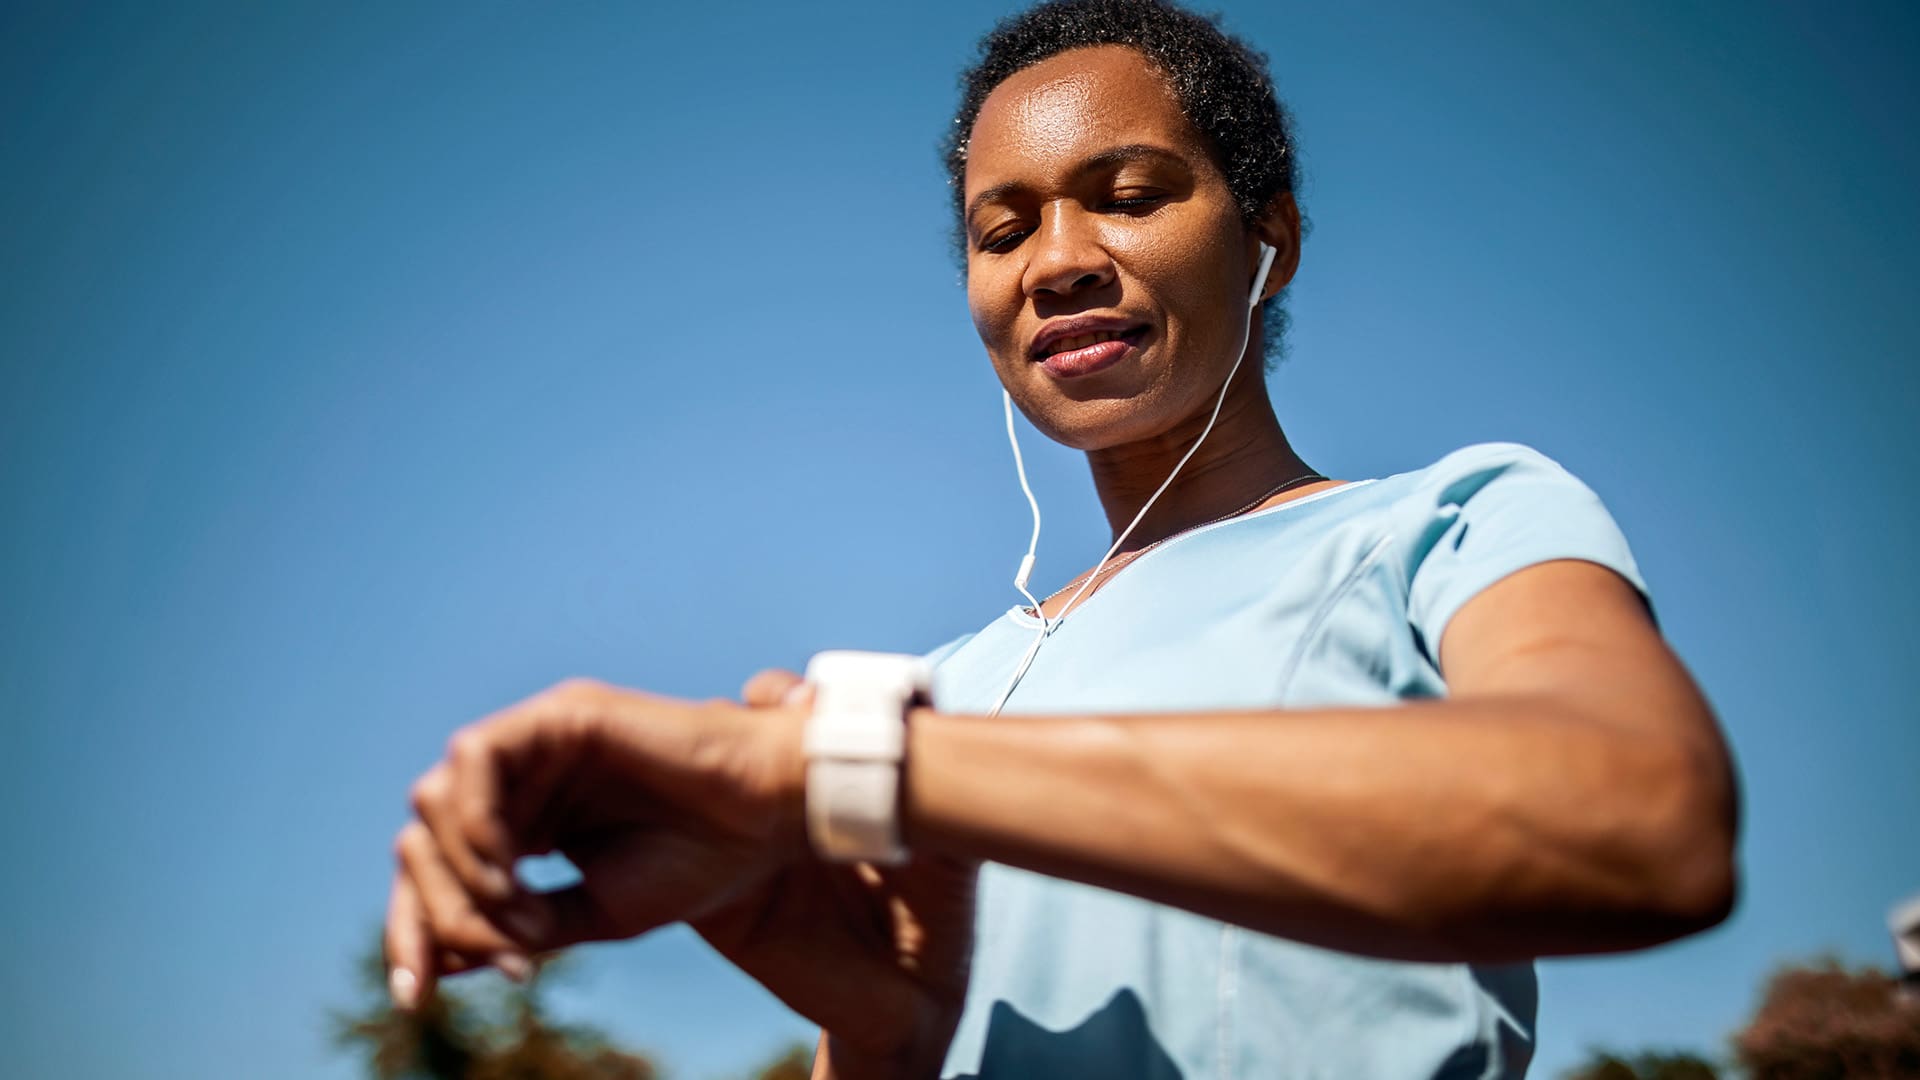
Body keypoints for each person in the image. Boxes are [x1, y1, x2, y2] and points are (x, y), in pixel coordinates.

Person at [382, 2, 1739, 1077]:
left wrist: (870, 767)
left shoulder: (1454, 524)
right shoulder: (941, 694)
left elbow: (1644, 820)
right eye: (1003, 227)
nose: (1058, 260)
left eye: (1131, 193)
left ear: (1270, 237)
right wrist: (882, 1034)